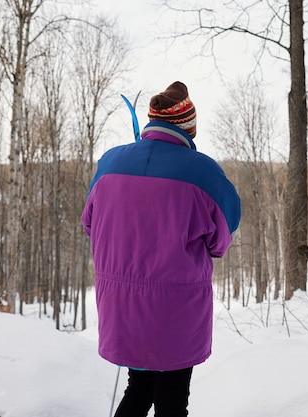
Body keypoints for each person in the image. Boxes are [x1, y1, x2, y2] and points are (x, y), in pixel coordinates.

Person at [81, 81, 241, 417]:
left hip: (121, 305)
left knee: (138, 388)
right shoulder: (204, 172)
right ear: (188, 127)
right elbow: (221, 240)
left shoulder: (110, 163)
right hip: (176, 313)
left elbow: (90, 224)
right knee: (172, 399)